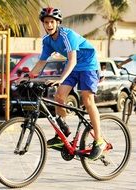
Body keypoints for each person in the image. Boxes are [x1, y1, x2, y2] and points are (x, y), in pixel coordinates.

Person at [30, 7, 106, 160]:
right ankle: (63, 133)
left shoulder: (67, 35)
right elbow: (42, 62)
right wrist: (28, 77)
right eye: (46, 22)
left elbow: (73, 60)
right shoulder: (47, 40)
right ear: (43, 24)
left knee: (87, 99)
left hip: (88, 66)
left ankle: (99, 141)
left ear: (58, 23)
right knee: (59, 96)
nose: (49, 25)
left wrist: (60, 79)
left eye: (52, 22)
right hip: (72, 67)